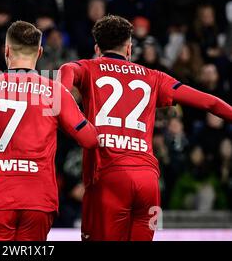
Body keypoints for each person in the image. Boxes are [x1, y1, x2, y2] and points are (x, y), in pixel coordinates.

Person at [58, 15, 232, 241]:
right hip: (148, 182)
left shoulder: (87, 68)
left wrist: (75, 117)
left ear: (97, 48)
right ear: (129, 48)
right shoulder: (154, 77)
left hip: (109, 176)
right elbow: (211, 103)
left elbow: (65, 74)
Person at [0, 21, 99, 241]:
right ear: (39, 52)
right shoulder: (55, 92)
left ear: (7, 50)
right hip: (38, 199)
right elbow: (88, 139)